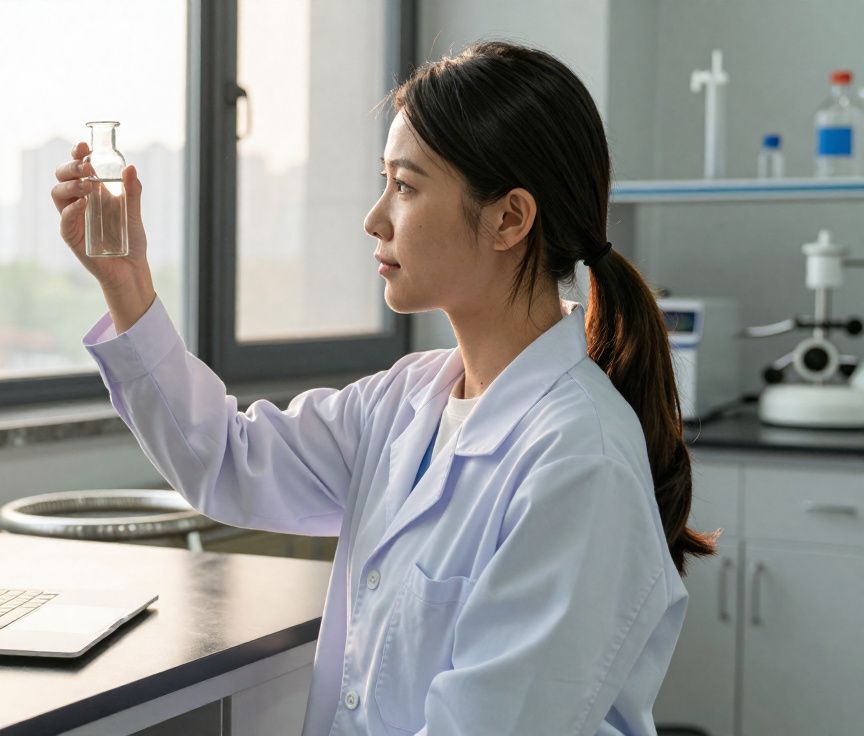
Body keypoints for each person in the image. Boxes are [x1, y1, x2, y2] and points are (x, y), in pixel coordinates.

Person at [50, 40, 715, 736]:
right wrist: (126, 284)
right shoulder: (405, 402)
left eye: (405, 185)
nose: (374, 218)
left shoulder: (579, 462)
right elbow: (224, 459)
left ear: (510, 219)